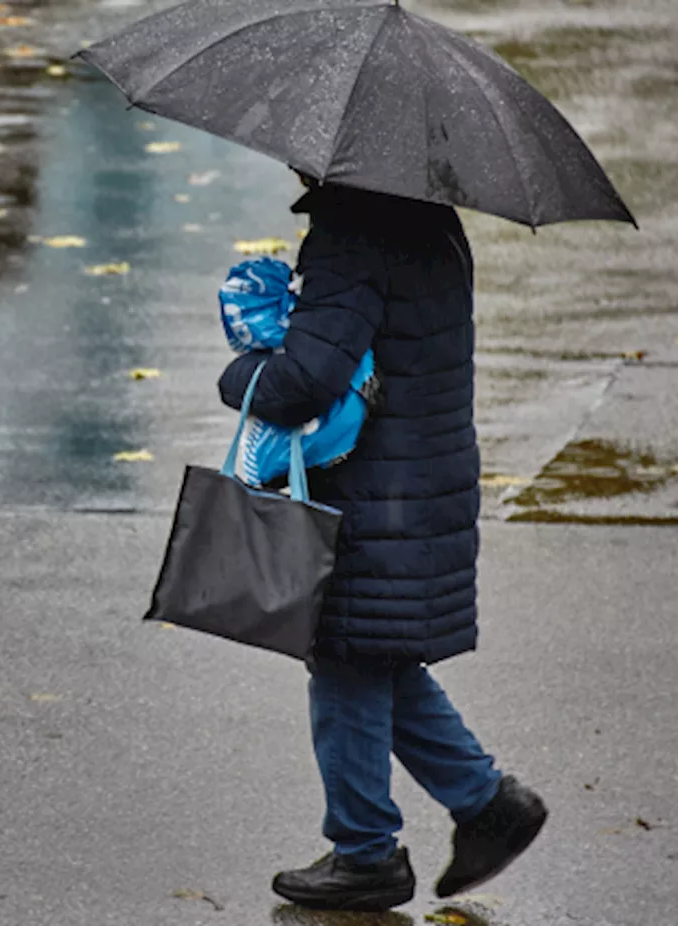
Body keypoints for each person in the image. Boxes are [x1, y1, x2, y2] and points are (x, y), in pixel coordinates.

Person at [217, 176, 547, 911]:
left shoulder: (352, 233)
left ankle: (365, 852)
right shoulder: (429, 221)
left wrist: (238, 374)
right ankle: (486, 802)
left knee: (344, 659)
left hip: (372, 492)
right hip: (420, 480)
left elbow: (306, 378)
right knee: (370, 655)